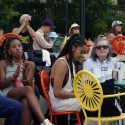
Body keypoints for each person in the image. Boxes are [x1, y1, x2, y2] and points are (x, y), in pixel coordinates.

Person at [0, 37, 53, 125]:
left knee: (26, 101)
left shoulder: (30, 64)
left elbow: (28, 84)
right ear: (9, 51)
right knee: (27, 89)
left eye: (19, 46)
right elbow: (1, 85)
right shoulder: (3, 63)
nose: (17, 48)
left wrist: (24, 73)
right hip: (8, 94)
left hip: (24, 93)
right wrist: (14, 76)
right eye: (13, 47)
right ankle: (43, 121)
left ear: (22, 48)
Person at [83, 37, 123, 117]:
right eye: (99, 47)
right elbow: (86, 85)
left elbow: (118, 78)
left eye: (105, 47)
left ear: (109, 50)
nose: (102, 49)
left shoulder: (114, 62)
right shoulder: (88, 63)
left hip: (109, 100)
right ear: (94, 50)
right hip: (93, 101)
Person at [49, 34, 87, 113]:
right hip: (59, 102)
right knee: (91, 103)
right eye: (81, 52)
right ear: (73, 47)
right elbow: (57, 92)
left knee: (93, 100)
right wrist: (78, 95)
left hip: (66, 100)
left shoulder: (71, 62)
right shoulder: (62, 64)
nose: (82, 55)